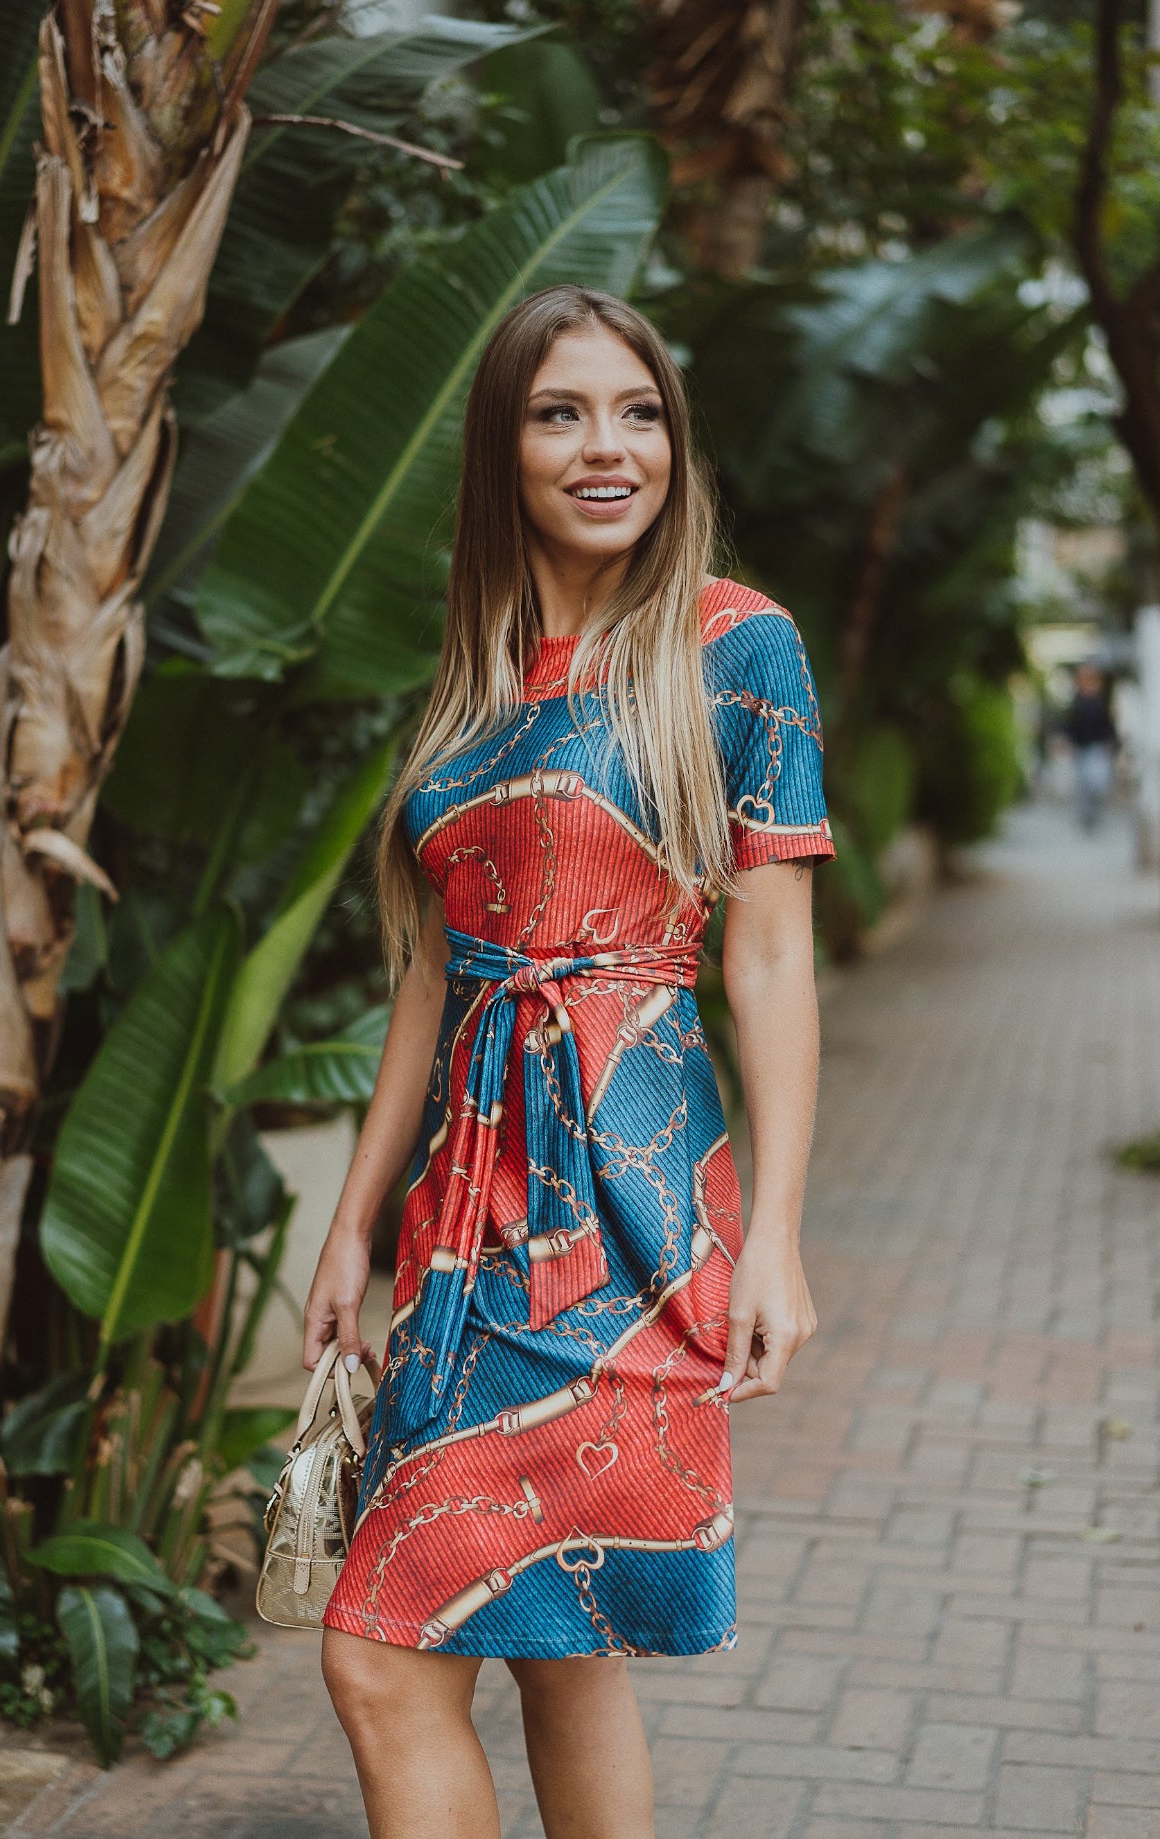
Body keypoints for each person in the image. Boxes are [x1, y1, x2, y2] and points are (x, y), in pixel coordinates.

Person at [301, 284, 838, 1839]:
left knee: (380, 1659)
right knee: (557, 1648)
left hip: (620, 1205)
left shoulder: (735, 645)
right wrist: (354, 1217)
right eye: (560, 412)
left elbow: (772, 949)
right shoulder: (472, 671)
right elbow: (432, 967)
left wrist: (776, 1236)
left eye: (637, 410)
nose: (608, 445)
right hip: (459, 1233)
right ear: (501, 446)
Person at [1054, 661, 1119, 831]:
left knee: (1097, 783)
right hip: (1080, 748)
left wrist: (1112, 742)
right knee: (1083, 785)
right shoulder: (1076, 701)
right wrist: (1065, 740)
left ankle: (1094, 815)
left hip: (1097, 748)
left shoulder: (1101, 701)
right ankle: (1086, 819)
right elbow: (1068, 724)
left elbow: (1109, 725)